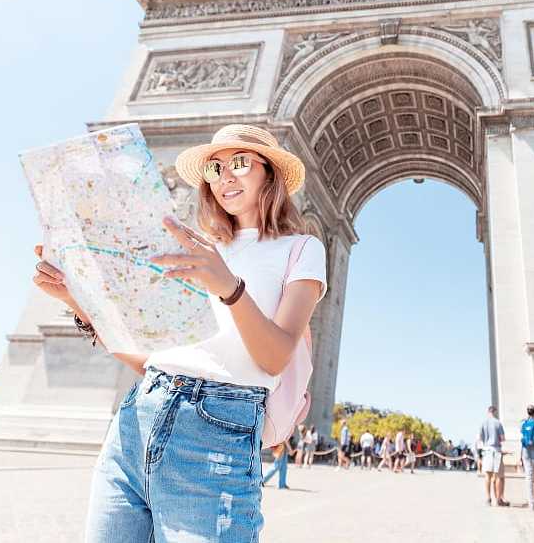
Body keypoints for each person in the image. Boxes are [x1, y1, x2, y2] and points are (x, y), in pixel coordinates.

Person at [32, 124, 328, 543]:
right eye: (215, 167)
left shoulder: (301, 249)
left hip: (217, 434)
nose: (226, 175)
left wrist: (228, 286)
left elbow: (276, 356)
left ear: (270, 173)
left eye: (240, 163)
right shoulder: (193, 247)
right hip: (135, 425)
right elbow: (149, 360)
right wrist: (77, 301)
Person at [478, 406, 509, 506]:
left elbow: (480, 438)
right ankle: (498, 499)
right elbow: (503, 438)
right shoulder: (498, 423)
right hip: (496, 450)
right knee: (499, 476)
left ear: (488, 412)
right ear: (495, 412)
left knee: (487, 475)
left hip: (487, 450)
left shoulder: (483, 423)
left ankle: (488, 498)